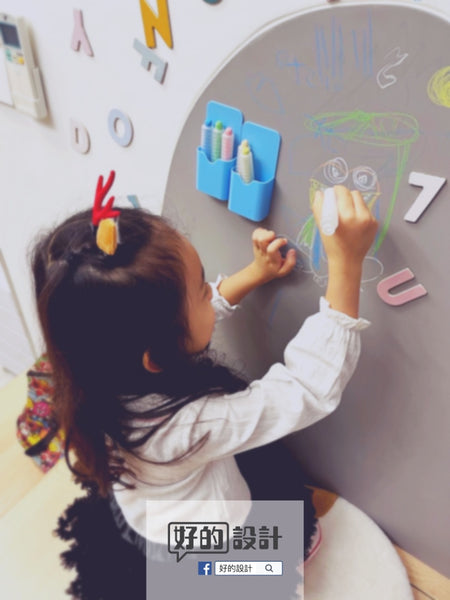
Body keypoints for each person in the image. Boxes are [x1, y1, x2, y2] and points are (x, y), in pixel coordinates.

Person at [30, 173, 377, 598]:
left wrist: (254, 273)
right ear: (156, 354)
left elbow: (175, 324)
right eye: (200, 289)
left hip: (150, 514)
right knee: (267, 576)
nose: (211, 291)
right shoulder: (182, 427)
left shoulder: (95, 367)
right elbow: (303, 390)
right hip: (204, 542)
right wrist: (347, 266)